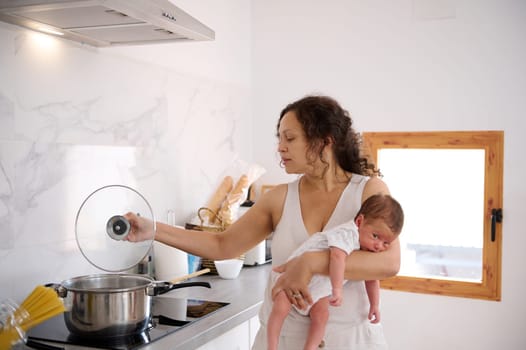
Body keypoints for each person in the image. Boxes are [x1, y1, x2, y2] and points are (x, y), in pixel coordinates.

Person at [125, 95, 401, 349]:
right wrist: (154, 229)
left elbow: (389, 263)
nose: (280, 148)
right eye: (279, 139)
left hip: (352, 341)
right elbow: (223, 245)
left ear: (325, 142)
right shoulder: (279, 198)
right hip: (283, 341)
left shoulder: (368, 191)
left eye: (290, 138)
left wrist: (309, 263)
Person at [267, 193, 404, 350]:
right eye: (375, 236)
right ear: (359, 222)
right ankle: (272, 345)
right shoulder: (348, 233)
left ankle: (310, 347)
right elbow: (337, 258)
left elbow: (372, 277)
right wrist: (337, 290)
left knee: (321, 316)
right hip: (293, 277)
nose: (378, 246)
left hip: (317, 287)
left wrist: (374, 305)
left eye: (386, 243)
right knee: (280, 308)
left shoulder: (369, 248)